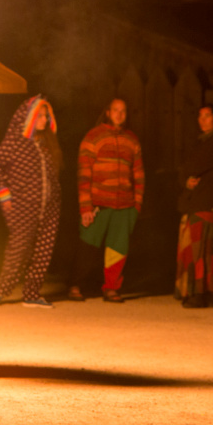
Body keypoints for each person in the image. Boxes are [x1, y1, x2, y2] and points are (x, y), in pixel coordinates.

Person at [0, 95, 62, 308]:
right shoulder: (15, 141)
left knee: (43, 250)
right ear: (28, 118)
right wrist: (4, 194)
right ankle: (0, 291)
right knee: (19, 248)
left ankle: (32, 294)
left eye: (46, 116)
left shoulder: (46, 143)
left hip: (50, 205)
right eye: (40, 116)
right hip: (22, 205)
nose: (45, 120)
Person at [69, 97, 144, 303]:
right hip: (98, 203)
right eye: (115, 110)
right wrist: (85, 206)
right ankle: (76, 284)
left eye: (123, 111)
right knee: (88, 245)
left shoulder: (132, 140)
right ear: (108, 113)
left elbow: (139, 174)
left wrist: (137, 204)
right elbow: (83, 173)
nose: (119, 114)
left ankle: (111, 288)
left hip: (125, 205)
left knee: (118, 249)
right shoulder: (93, 137)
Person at [175, 104, 213, 308]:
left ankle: (200, 293)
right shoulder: (201, 141)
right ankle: (197, 292)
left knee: (201, 251)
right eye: (200, 116)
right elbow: (188, 168)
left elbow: (193, 165)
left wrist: (185, 174)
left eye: (207, 116)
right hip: (197, 200)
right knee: (196, 250)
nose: (203, 120)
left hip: (205, 201)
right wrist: (186, 180)